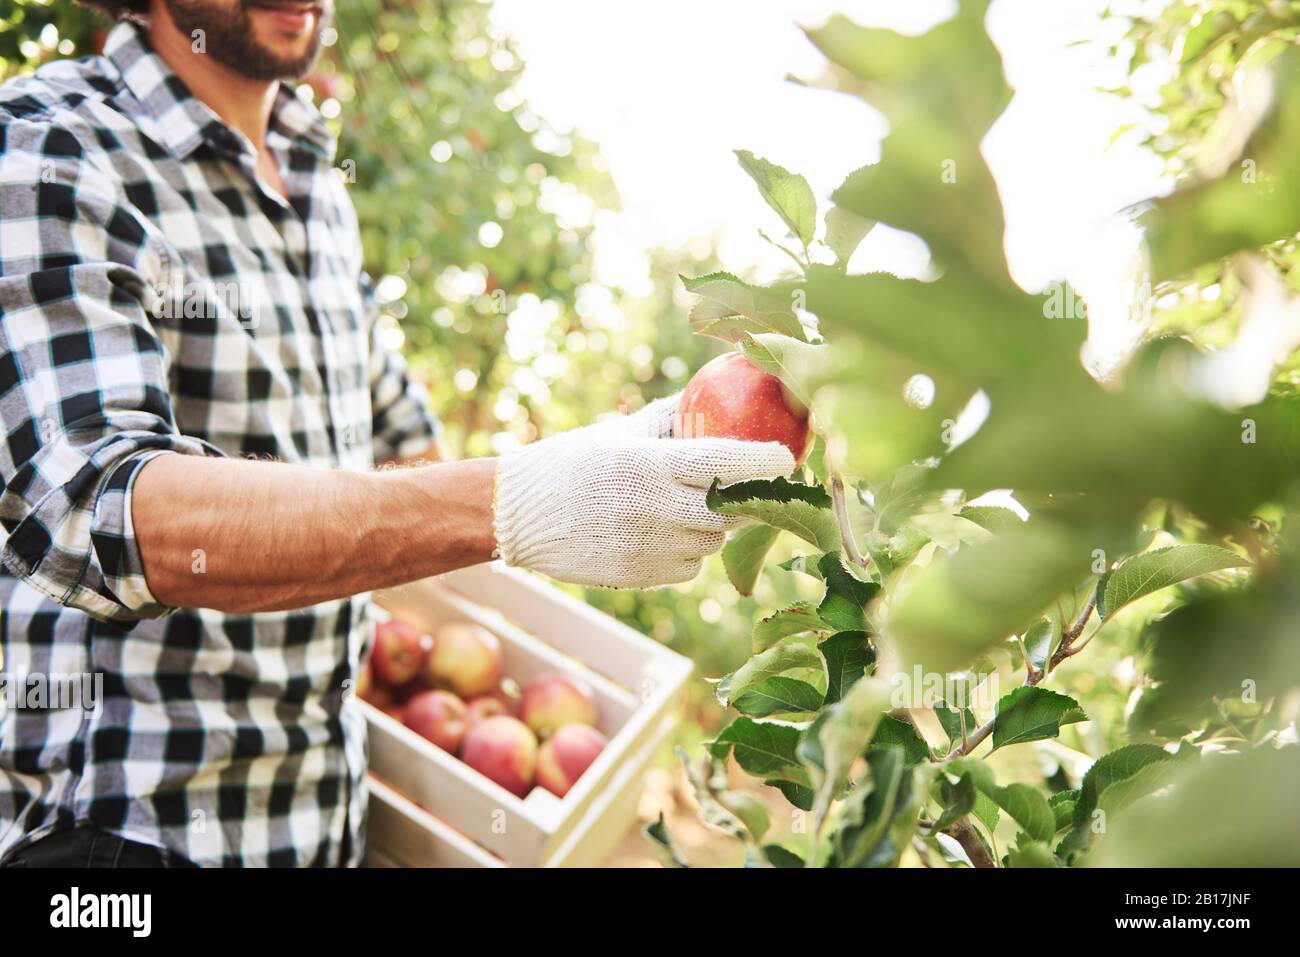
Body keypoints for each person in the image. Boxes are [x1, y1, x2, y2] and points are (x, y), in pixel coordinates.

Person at [0, 0, 792, 867]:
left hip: (319, 822)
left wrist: (631, 453)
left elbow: (405, 457)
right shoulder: (52, 147)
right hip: (125, 839)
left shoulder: (312, 183)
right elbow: (101, 510)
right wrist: (512, 498)